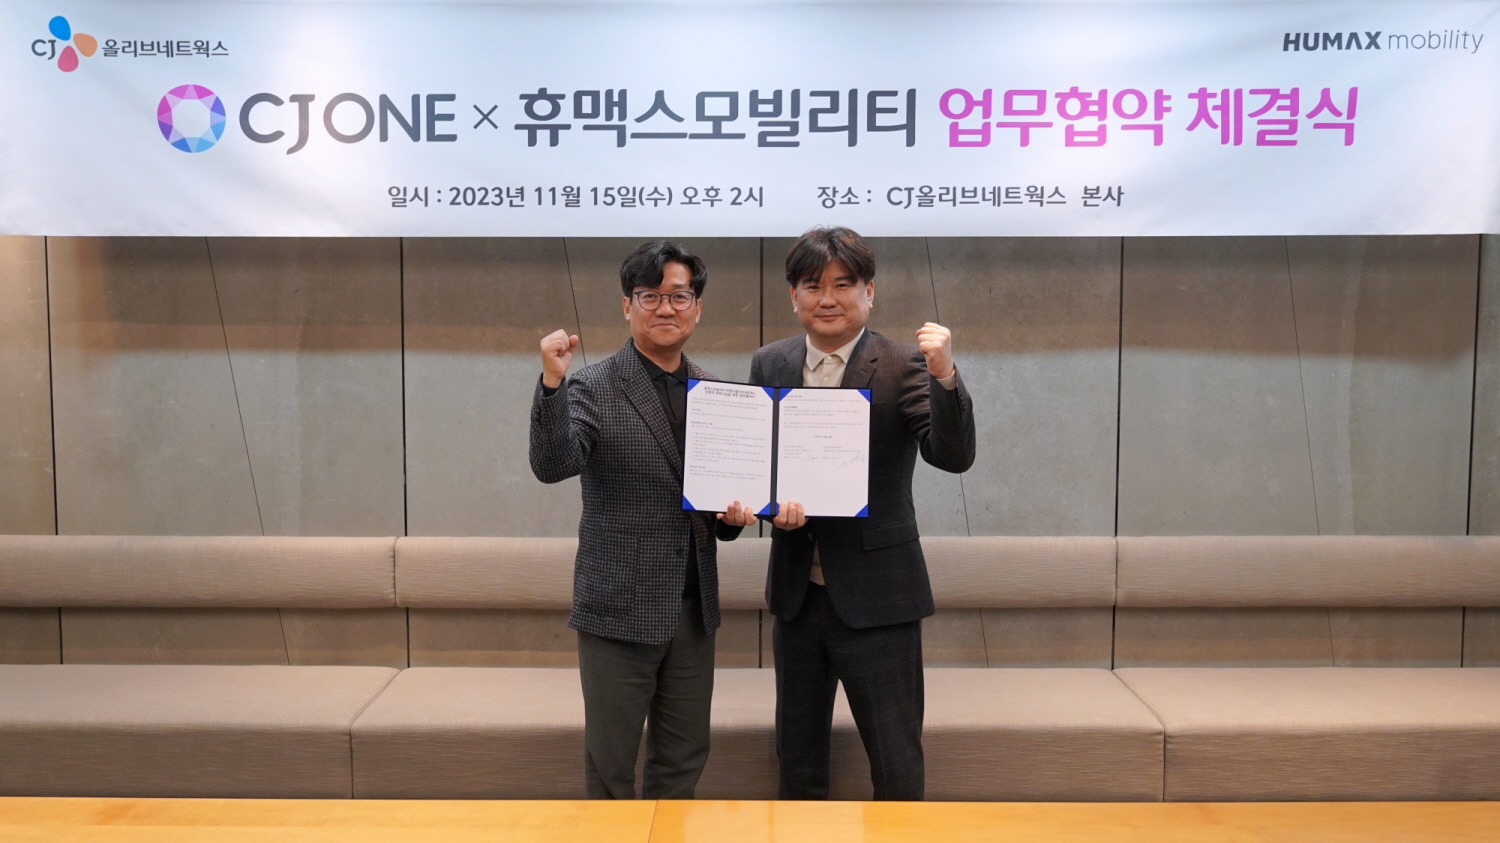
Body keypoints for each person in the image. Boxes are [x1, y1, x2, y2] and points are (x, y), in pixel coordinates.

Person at [749, 226, 976, 801]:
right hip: (798, 599)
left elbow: (952, 456)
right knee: (797, 761)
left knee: (896, 761)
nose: (827, 298)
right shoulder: (770, 362)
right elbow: (759, 468)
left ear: (869, 292)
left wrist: (945, 375)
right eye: (812, 285)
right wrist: (767, 511)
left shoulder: (904, 364)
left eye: (843, 284)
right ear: (793, 296)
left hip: (881, 599)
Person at [530, 240, 757, 799]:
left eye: (679, 296)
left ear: (697, 308)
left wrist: (733, 517)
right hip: (617, 609)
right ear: (627, 306)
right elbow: (553, 465)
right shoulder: (592, 385)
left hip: (693, 608)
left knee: (682, 761)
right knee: (611, 768)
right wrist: (552, 384)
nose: (665, 308)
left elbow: (716, 508)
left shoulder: (718, 394)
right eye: (649, 296)